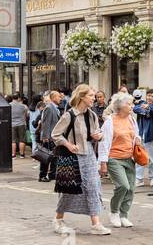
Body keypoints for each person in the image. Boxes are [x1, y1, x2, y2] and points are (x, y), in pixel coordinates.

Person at [51, 85, 111, 235]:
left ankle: (96, 224)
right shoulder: (69, 115)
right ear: (82, 97)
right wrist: (68, 145)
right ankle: (58, 220)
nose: (94, 98)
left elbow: (96, 133)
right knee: (69, 190)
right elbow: (56, 134)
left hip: (89, 155)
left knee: (93, 187)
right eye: (91, 95)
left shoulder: (92, 115)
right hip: (72, 157)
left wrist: (99, 136)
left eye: (94, 96)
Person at [99, 92, 140, 228]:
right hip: (114, 158)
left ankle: (124, 215)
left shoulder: (131, 119)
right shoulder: (110, 121)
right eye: (129, 104)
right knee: (123, 186)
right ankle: (114, 212)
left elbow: (135, 134)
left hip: (130, 158)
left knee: (131, 189)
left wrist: (138, 140)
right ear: (120, 106)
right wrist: (103, 163)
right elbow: (104, 143)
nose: (131, 106)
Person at [133, 89, 153, 188]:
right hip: (141, 135)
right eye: (148, 95)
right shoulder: (143, 104)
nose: (150, 97)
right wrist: (145, 108)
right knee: (139, 157)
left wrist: (147, 108)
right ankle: (139, 179)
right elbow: (135, 109)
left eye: (152, 96)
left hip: (152, 136)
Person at [36, 91, 62, 183]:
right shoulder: (49, 108)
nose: (60, 98)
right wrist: (45, 137)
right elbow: (45, 123)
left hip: (54, 137)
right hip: (49, 137)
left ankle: (52, 174)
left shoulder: (55, 108)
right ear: (53, 97)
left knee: (54, 157)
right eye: (59, 96)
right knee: (45, 156)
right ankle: (42, 175)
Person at [10, 94, 30, 158]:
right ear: (18, 98)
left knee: (13, 140)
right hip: (21, 124)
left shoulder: (9, 105)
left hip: (12, 124)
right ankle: (22, 154)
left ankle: (13, 154)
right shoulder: (23, 106)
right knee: (22, 140)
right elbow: (27, 114)